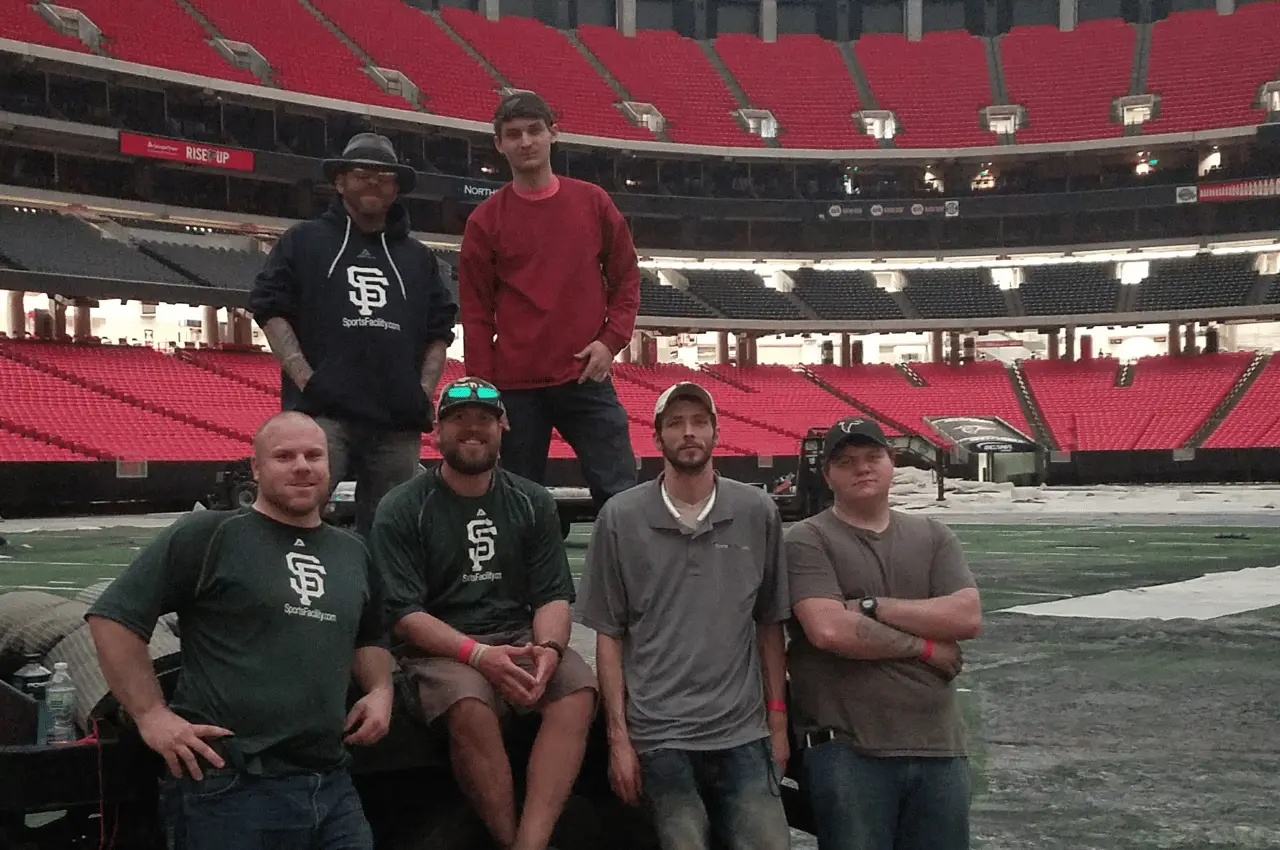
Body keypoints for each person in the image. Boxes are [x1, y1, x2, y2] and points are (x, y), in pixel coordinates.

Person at [85, 411, 393, 850]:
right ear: (256, 468)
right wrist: (152, 714)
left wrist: (380, 689)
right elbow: (114, 618)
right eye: (284, 456)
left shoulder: (352, 551)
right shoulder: (210, 534)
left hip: (331, 783)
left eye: (314, 455)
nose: (302, 466)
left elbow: (370, 634)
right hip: (230, 787)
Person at [369, 376, 597, 850]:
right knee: (468, 700)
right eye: (459, 421)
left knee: (577, 690)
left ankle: (531, 843)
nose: (472, 430)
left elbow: (553, 595)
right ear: (437, 431)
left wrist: (550, 648)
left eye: (484, 421)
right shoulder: (402, 507)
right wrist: (476, 655)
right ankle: (508, 836)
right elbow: (404, 615)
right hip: (440, 648)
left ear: (503, 426)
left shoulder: (532, 502)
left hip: (516, 633)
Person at [575, 381, 792, 850]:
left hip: (741, 731)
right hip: (659, 734)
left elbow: (769, 623)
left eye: (699, 422)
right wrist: (618, 739)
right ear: (656, 438)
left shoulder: (757, 512)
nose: (688, 432)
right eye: (675, 423)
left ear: (716, 432)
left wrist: (777, 723)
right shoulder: (620, 518)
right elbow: (608, 635)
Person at [784, 417, 981, 850]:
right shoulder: (807, 539)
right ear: (828, 475)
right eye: (847, 461)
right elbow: (830, 629)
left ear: (891, 462)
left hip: (939, 748)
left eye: (873, 457)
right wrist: (927, 647)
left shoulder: (933, 535)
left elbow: (966, 615)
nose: (862, 468)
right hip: (851, 751)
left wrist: (874, 607)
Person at [250, 131, 458, 537]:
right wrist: (308, 380)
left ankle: (385, 601)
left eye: (384, 176)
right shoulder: (303, 240)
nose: (373, 183)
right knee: (296, 515)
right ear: (340, 181)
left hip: (397, 420)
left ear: (397, 188)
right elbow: (270, 307)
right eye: (362, 174)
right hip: (324, 415)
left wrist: (422, 392)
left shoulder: (418, 257)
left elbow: (440, 329)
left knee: (393, 530)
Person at [457, 90, 641, 512]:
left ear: (553, 134)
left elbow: (626, 276)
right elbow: (477, 313)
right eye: (514, 134)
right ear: (499, 144)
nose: (525, 142)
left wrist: (611, 341)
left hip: (586, 375)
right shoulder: (485, 221)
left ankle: (631, 578)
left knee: (622, 497)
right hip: (516, 385)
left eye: (534, 131)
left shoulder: (592, 202)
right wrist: (484, 391)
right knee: (518, 505)